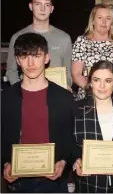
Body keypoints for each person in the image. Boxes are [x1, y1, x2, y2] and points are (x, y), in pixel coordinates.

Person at [1, 33, 73, 192]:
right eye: (24, 56)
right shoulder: (5, 98)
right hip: (18, 181)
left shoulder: (65, 98)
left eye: (36, 56)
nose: (31, 63)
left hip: (53, 180)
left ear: (46, 58)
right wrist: (5, 163)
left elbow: (71, 138)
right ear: (18, 60)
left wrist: (63, 162)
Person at [72, 60, 113, 193]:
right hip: (88, 184)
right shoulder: (76, 109)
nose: (102, 86)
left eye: (108, 80)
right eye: (97, 80)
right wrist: (75, 160)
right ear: (90, 82)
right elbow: (69, 143)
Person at [6, 0, 72, 88]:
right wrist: (20, 92)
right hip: (27, 94)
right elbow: (11, 71)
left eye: (47, 5)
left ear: (52, 9)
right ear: (31, 6)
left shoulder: (64, 38)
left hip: (56, 94)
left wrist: (64, 89)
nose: (42, 9)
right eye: (38, 4)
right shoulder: (18, 37)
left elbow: (68, 72)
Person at [71, 3, 113, 101]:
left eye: (108, 18)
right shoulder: (81, 41)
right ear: (93, 21)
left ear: (111, 22)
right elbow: (76, 74)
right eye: (100, 17)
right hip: (89, 95)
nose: (104, 22)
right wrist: (93, 90)